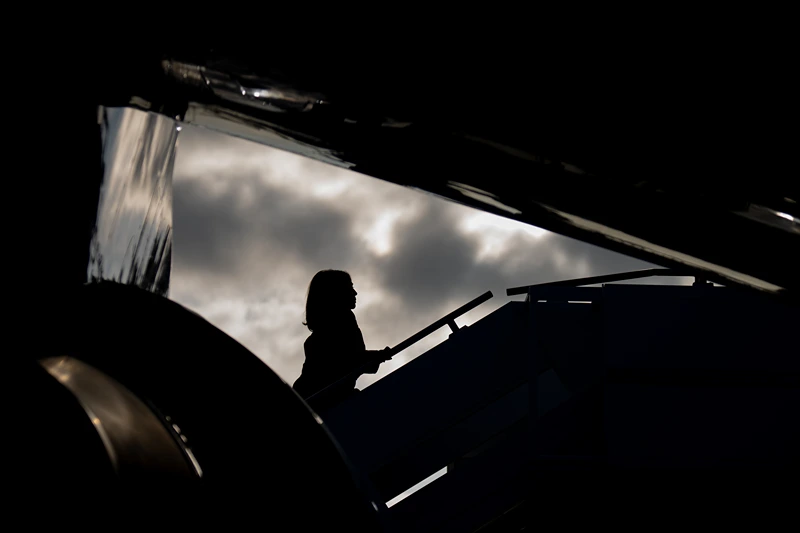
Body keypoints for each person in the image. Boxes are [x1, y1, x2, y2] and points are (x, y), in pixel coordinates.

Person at [293, 270, 391, 411]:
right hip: (316, 401)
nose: (355, 293)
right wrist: (378, 355)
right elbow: (346, 359)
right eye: (350, 287)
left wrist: (376, 356)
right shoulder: (341, 321)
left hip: (316, 400)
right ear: (336, 292)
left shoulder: (336, 323)